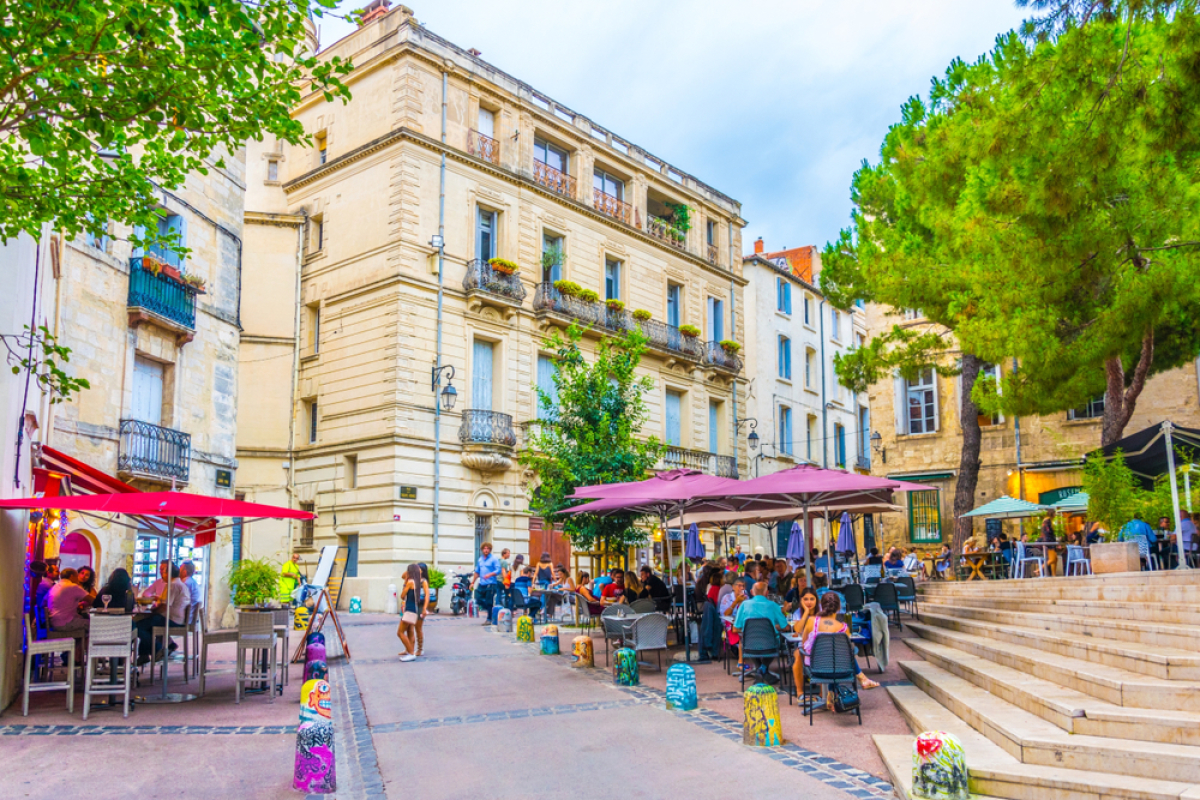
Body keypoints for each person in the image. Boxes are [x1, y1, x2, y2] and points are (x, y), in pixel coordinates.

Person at [801, 591, 879, 704]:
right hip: (839, 671)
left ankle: (832, 695)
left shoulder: (811, 621)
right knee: (845, 654)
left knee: (835, 657)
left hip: (815, 669)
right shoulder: (843, 628)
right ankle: (859, 679)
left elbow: (804, 644)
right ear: (838, 608)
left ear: (821, 606)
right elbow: (845, 653)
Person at [135, 561, 189, 665]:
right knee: (147, 626)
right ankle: (144, 655)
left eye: (163, 572)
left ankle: (158, 649)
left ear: (168, 574)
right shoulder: (179, 584)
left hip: (172, 619)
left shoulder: (172, 586)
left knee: (137, 626)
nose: (161, 574)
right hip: (177, 618)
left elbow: (164, 607)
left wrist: (153, 611)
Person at [732, 581, 789, 679]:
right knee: (776, 642)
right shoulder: (773, 605)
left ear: (751, 592)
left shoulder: (744, 605)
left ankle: (759, 669)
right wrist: (774, 626)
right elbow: (785, 627)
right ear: (767, 593)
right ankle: (763, 668)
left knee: (751, 644)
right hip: (770, 644)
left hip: (749, 644)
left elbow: (735, 629)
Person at [49, 568, 90, 640]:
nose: (78, 579)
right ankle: (80, 649)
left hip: (54, 623)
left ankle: (75, 649)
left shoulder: (55, 586)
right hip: (64, 623)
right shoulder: (72, 586)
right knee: (93, 625)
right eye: (77, 576)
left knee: (82, 621)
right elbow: (92, 600)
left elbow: (44, 602)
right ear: (72, 576)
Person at [472, 543, 502, 624]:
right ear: (482, 549)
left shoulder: (494, 559)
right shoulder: (480, 559)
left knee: (489, 601)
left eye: (488, 548)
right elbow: (477, 572)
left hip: (491, 583)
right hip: (482, 583)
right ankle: (492, 611)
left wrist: (490, 574)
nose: (486, 550)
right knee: (478, 599)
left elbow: (498, 570)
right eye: (484, 548)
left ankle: (489, 619)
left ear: (490, 550)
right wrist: (472, 582)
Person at [396, 563, 421, 662]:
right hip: (414, 609)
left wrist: (405, 585)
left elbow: (402, 596)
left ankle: (411, 653)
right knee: (410, 631)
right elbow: (403, 575)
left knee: (400, 632)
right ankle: (410, 651)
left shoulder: (410, 582)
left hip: (409, 610)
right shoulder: (417, 581)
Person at [415, 563, 432, 656]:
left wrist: (425, 608)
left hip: (420, 606)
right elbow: (403, 576)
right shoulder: (414, 579)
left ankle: (420, 648)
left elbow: (427, 595)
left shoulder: (423, 581)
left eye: (418, 568)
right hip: (413, 605)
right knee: (411, 627)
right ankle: (409, 648)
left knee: (418, 627)